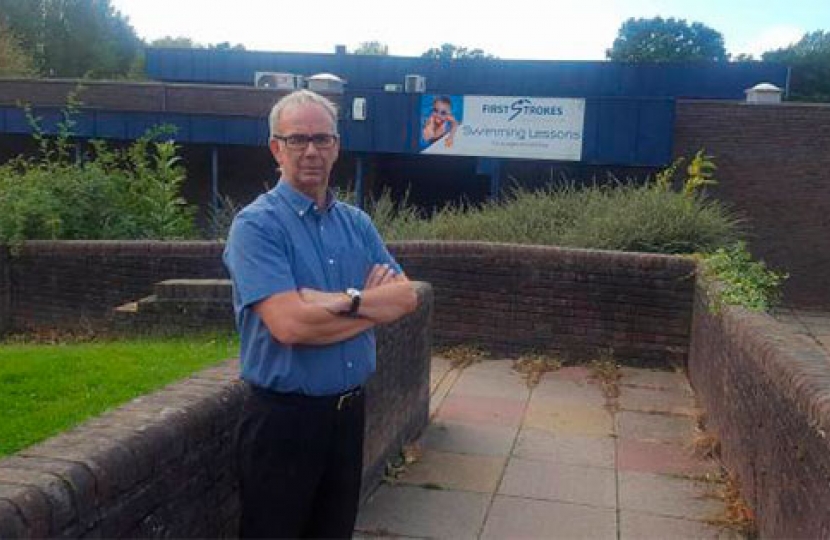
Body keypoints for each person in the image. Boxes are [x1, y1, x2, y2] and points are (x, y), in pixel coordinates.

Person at [222, 89, 418, 539]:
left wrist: (332, 302)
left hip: (348, 416)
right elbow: (289, 325)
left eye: (322, 139)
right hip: (284, 423)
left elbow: (406, 298)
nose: (311, 151)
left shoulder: (357, 223)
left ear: (337, 147)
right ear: (276, 148)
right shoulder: (257, 226)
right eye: (297, 139)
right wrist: (371, 307)